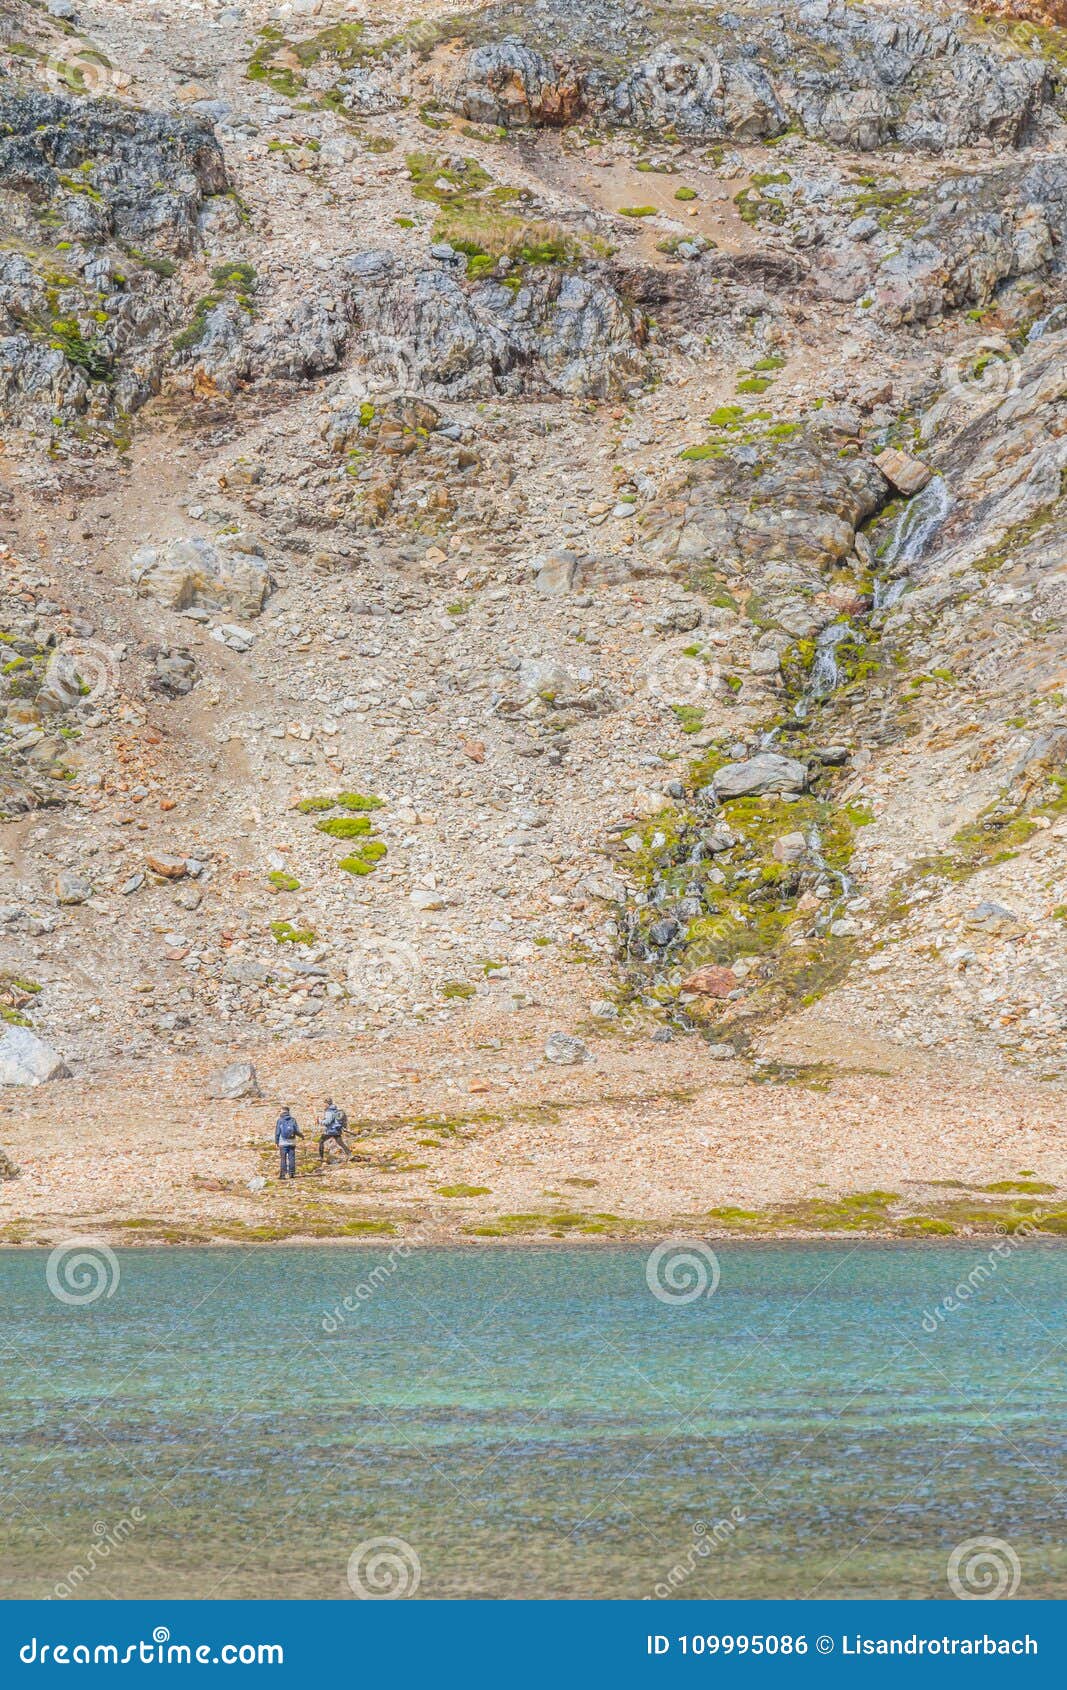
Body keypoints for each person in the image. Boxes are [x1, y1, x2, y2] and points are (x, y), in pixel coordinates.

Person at [318, 1096, 351, 1164]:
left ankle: (321, 1157)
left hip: (331, 1130)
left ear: (327, 1103)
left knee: (321, 1141)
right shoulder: (335, 1110)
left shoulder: (329, 1111)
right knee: (340, 1143)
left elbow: (328, 1122)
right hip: (337, 1129)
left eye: (324, 1103)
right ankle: (349, 1154)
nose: (323, 1105)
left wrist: (320, 1121)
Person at [275, 1107, 303, 1181]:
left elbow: (277, 1132)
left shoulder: (280, 1120)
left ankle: (283, 1175)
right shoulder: (293, 1120)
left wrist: (276, 1142)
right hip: (292, 1142)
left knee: (283, 1159)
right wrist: (302, 1136)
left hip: (283, 1143)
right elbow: (296, 1131)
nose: (279, 1112)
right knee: (292, 1158)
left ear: (283, 1112)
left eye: (280, 1111)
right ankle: (292, 1173)